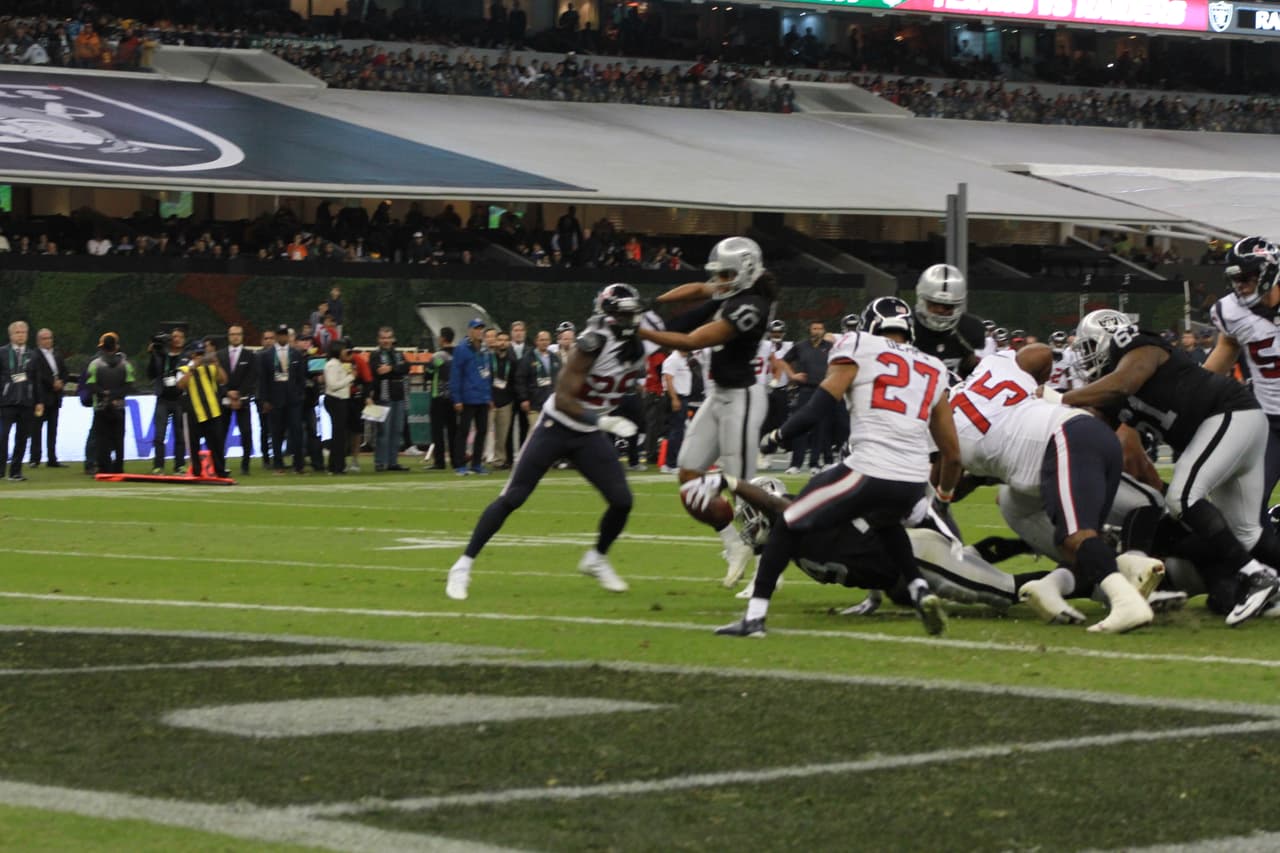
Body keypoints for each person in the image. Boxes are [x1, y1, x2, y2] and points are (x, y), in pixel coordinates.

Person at [708, 296, 961, 637]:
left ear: (870, 325)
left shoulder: (858, 344)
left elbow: (821, 405)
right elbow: (952, 453)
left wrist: (777, 437)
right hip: (913, 481)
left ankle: (754, 618)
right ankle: (919, 589)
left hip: (870, 469)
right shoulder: (933, 366)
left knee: (789, 520)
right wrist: (943, 497)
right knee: (886, 522)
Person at [1063, 309, 1280, 625]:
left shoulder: (1135, 344)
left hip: (1228, 414)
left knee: (1182, 496)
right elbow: (1096, 430)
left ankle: (1257, 576)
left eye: (1088, 347)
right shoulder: (1112, 392)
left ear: (1107, 337)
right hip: (1234, 424)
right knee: (1245, 533)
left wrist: (1064, 398)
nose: (1084, 358)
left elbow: (1124, 383)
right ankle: (1270, 585)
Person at [446, 285, 647, 600]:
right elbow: (564, 398)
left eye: (633, 313)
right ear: (608, 315)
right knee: (513, 497)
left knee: (622, 500)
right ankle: (462, 566)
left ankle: (596, 558)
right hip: (557, 426)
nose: (630, 320)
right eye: (623, 314)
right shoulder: (591, 343)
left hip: (587, 434)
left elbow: (685, 333)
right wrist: (602, 421)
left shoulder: (637, 344)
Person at [950, 344, 1153, 633]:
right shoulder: (993, 366)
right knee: (1080, 546)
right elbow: (1042, 353)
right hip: (1087, 431)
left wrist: (945, 489)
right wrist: (1038, 391)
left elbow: (951, 482)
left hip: (1064, 439)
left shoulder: (946, 420)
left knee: (1075, 536)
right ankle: (1126, 569)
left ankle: (1127, 604)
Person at [638, 236, 779, 587]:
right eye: (719, 274)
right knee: (689, 476)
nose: (720, 281)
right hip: (718, 395)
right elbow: (701, 288)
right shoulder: (731, 289)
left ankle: (767, 573)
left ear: (746, 272)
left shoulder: (751, 306)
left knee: (745, 490)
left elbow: (691, 341)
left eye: (726, 275)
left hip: (742, 398)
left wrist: (637, 329)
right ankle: (734, 543)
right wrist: (655, 301)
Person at [1204, 237, 1280, 519]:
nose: (1240, 285)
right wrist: (1187, 392)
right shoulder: (1230, 311)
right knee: (1245, 506)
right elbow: (1225, 351)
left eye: (1246, 277)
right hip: (1269, 423)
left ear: (1269, 272)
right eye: (1235, 279)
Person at [911, 264, 987, 381]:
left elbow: (976, 373)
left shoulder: (971, 329)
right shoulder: (905, 325)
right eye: (934, 304)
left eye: (947, 306)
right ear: (922, 300)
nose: (940, 310)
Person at [777, 321, 832, 474]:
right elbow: (783, 361)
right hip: (805, 390)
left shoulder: (830, 347)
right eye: (814, 328)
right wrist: (792, 375)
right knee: (800, 425)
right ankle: (796, 464)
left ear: (824, 330)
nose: (817, 331)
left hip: (823, 390)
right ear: (810, 330)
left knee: (820, 427)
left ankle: (815, 463)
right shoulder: (801, 346)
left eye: (820, 328)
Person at [258, 325, 308, 474]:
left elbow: (301, 377)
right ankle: (278, 465)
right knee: (276, 433)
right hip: (275, 400)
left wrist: (299, 395)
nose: (283, 337)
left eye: (285, 334)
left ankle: (298, 465)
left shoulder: (296, 353)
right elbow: (263, 380)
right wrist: (265, 400)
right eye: (280, 334)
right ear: (276, 336)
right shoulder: (266, 355)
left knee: (296, 431)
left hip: (293, 400)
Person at [178, 336, 229, 478]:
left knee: (217, 443)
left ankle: (220, 471)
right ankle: (196, 471)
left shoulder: (210, 368)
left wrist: (217, 364)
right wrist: (192, 368)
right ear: (192, 355)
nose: (200, 357)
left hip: (212, 411)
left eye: (202, 353)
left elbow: (223, 380)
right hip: (194, 412)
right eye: (198, 354)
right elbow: (180, 385)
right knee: (194, 444)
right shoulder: (183, 369)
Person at [83, 333, 133, 474]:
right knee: (118, 439)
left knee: (102, 439)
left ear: (102, 347)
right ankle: (118, 467)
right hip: (119, 405)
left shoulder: (95, 364)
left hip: (101, 406)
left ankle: (104, 467)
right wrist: (115, 395)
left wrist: (105, 394)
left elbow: (91, 385)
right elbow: (129, 385)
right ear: (116, 347)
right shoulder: (126, 365)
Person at [0, 320, 41, 481]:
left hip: (26, 402)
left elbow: (36, 380)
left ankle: (16, 472)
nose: (21, 335)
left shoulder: (33, 355)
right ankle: (1, 470)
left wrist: (39, 401)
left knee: (22, 438)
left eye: (23, 332)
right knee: (2, 436)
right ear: (11, 335)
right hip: (6, 402)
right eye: (17, 332)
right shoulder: (3, 352)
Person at [452, 319, 493, 476]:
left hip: (482, 398)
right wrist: (457, 399)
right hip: (467, 397)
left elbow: (488, 374)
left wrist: (489, 396)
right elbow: (456, 375)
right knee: (463, 431)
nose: (479, 331)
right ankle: (460, 464)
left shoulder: (485, 349)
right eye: (476, 328)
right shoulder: (462, 349)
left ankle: (477, 464)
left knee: (482, 431)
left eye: (481, 328)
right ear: (470, 330)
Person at [148, 327, 188, 474]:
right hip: (163, 398)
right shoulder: (161, 354)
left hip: (180, 399)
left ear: (184, 340)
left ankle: (180, 465)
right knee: (159, 434)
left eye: (180, 337)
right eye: (174, 337)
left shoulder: (186, 357)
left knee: (180, 434)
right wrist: (153, 355)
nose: (176, 339)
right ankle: (158, 466)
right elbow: (151, 374)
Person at [218, 325, 257, 475]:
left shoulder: (249, 355)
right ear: (228, 336)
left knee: (246, 432)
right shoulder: (220, 355)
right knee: (221, 433)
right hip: (224, 399)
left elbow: (251, 377)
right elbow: (217, 378)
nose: (235, 337)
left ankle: (245, 465)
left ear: (242, 336)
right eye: (232, 334)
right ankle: (220, 464)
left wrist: (239, 394)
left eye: (238, 334)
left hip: (243, 399)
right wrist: (227, 392)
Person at [30, 327, 68, 468]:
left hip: (55, 398)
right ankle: (35, 458)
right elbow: (37, 375)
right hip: (40, 399)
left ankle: (52, 458)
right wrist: (52, 383)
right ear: (38, 341)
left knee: (53, 429)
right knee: (36, 428)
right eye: (44, 338)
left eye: (50, 338)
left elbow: (64, 371)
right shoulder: (35, 356)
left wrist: (62, 382)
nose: (48, 341)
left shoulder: (57, 354)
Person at [514, 329, 561, 442]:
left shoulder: (554, 358)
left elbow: (560, 378)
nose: (544, 342)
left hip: (551, 402)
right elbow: (520, 379)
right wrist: (524, 398)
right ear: (536, 341)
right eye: (541, 340)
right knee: (535, 432)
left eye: (546, 340)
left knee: (550, 432)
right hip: (534, 402)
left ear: (550, 341)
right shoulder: (528, 358)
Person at [426, 327, 457, 470]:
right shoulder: (458, 354)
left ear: (443, 338)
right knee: (453, 430)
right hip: (454, 396)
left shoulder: (438, 356)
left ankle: (439, 462)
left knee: (437, 430)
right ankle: (456, 460)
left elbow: (429, 373)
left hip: (438, 396)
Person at [323, 341, 354, 474]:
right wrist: (350, 377)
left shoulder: (337, 364)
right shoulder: (332, 365)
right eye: (343, 349)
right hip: (336, 400)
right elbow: (333, 385)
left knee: (339, 434)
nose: (345, 352)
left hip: (339, 400)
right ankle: (337, 466)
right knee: (339, 435)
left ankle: (336, 465)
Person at [489, 331, 519, 469]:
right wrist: (488, 397)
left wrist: (512, 399)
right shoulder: (489, 359)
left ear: (509, 343)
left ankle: (499, 461)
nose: (502, 343)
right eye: (500, 340)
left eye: (505, 340)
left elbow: (515, 382)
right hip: (489, 402)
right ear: (495, 341)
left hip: (506, 402)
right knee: (483, 432)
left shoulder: (513, 361)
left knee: (502, 435)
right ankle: (479, 459)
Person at [661, 348, 693, 471]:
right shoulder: (673, 359)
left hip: (682, 397)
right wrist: (674, 398)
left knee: (678, 431)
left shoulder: (682, 359)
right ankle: (671, 464)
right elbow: (668, 379)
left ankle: (671, 462)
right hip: (677, 397)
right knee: (676, 431)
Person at [256, 328, 276, 470]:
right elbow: (258, 379)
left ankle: (277, 457)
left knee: (278, 429)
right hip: (263, 398)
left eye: (271, 338)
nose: (268, 341)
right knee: (265, 429)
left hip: (279, 397)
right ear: (262, 341)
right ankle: (266, 458)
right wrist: (262, 400)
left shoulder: (280, 354)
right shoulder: (258, 356)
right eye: (266, 338)